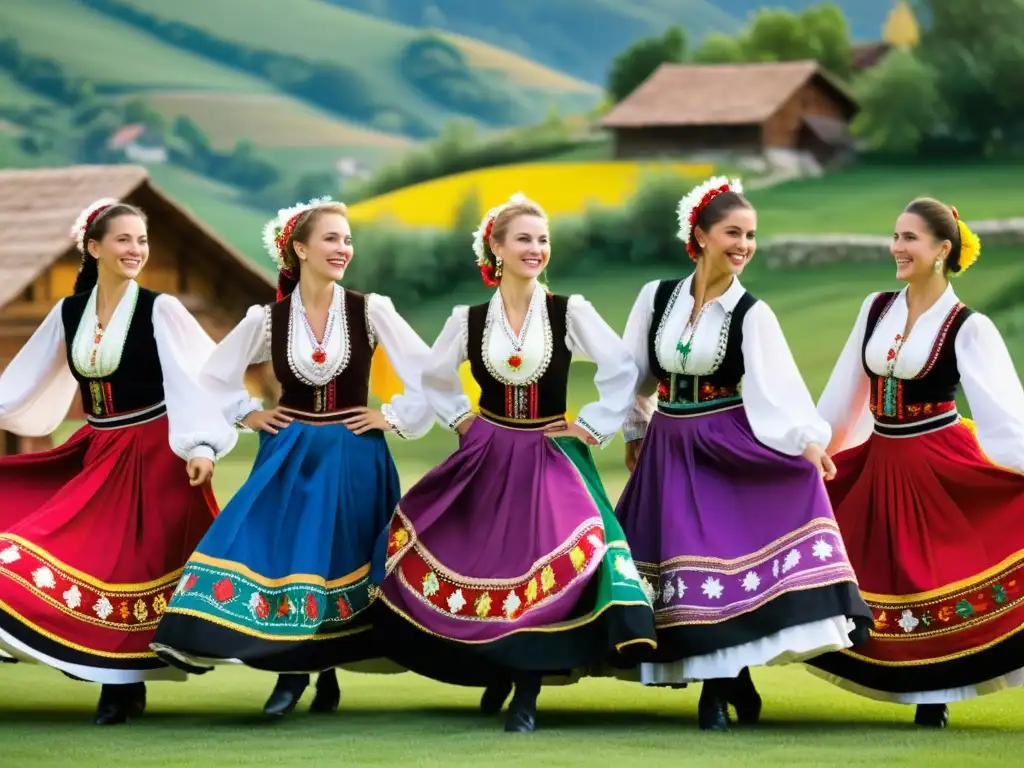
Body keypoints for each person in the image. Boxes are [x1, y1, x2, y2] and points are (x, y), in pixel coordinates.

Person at [371, 192, 657, 734]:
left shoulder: (569, 311)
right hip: (489, 453)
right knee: (489, 565)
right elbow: (434, 376)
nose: (536, 249)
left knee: (543, 564)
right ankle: (499, 668)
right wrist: (460, 420)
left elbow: (621, 367)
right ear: (496, 248)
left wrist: (590, 426)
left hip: (550, 455)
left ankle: (526, 693)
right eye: (523, 239)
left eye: (543, 239)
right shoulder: (469, 318)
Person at [150, 198, 434, 718]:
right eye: (331, 239)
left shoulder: (370, 310)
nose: (343, 248)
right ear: (299, 249)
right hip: (292, 453)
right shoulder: (268, 319)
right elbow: (214, 375)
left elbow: (428, 370)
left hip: (353, 455)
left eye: (347, 239)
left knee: (337, 561)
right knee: (286, 556)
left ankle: (319, 672)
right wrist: (247, 413)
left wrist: (390, 418)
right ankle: (289, 674)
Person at [614, 177, 873, 731]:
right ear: (701, 236)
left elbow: (778, 389)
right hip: (667, 447)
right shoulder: (656, 297)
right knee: (677, 574)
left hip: (723, 446)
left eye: (751, 234)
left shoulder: (751, 313)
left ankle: (715, 694)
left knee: (712, 569)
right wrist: (635, 432)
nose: (744, 244)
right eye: (733, 232)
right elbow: (633, 374)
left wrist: (806, 441)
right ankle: (736, 681)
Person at [0, 198, 235, 724]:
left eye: (142, 240)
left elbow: (196, 378)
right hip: (99, 448)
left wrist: (200, 444)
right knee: (64, 552)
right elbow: (19, 383)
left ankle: (120, 683)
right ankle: (110, 677)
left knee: (130, 570)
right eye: (124, 239)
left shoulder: (160, 308)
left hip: (154, 453)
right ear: (94, 247)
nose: (136, 250)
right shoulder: (68, 312)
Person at [807, 198, 1024, 728]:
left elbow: (1003, 413)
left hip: (938, 461)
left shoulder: (967, 326)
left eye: (909, 238)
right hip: (881, 456)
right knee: (861, 565)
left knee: (930, 576)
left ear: (941, 250)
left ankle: (935, 695)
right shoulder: (876, 308)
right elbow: (845, 393)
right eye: (896, 236)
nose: (896, 247)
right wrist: (815, 450)